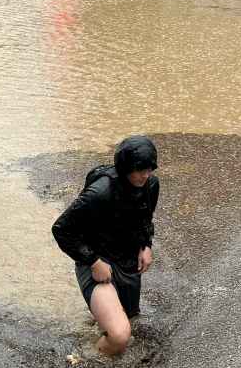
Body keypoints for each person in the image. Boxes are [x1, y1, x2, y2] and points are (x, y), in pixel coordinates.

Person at [52, 135, 160, 356]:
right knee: (120, 335)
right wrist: (93, 262)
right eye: (140, 169)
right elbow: (61, 229)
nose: (146, 175)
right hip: (96, 258)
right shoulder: (99, 192)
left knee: (130, 321)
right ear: (125, 167)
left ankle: (100, 325)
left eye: (149, 169)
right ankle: (88, 359)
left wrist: (146, 245)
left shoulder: (150, 185)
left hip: (127, 260)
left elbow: (145, 219)